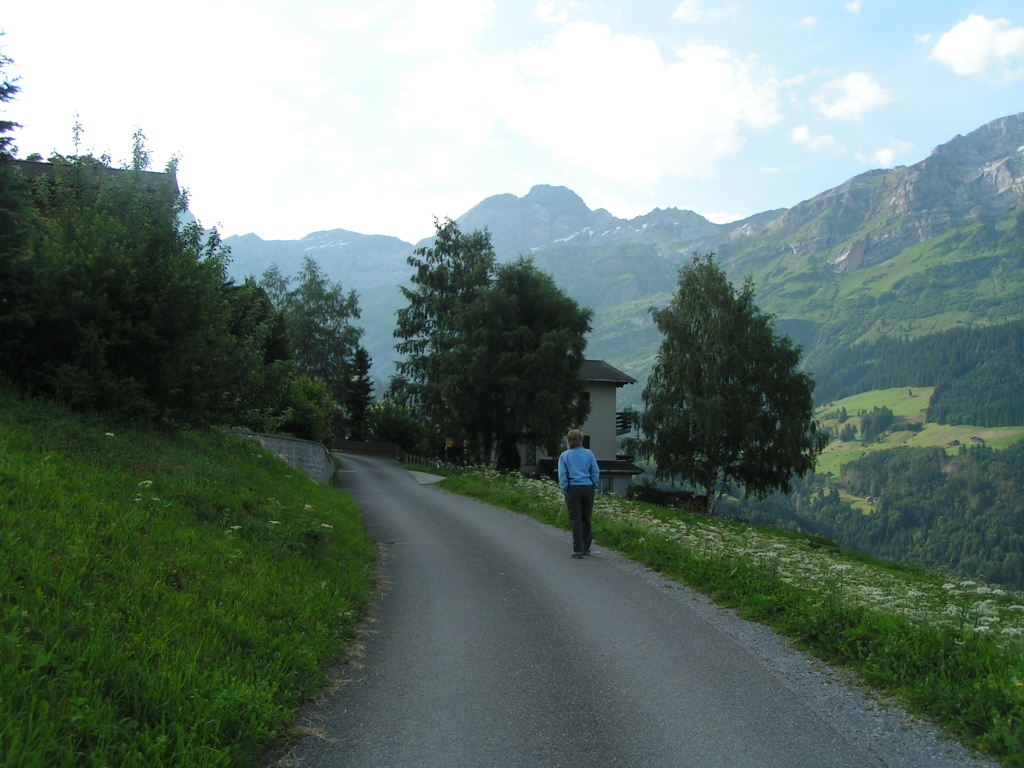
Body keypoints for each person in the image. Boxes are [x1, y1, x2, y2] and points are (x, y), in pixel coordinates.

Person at [557, 429, 599, 559]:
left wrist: (565, 488)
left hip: (573, 488)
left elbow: (562, 474)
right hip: (588, 487)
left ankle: (578, 549)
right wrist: (594, 484)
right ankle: (586, 546)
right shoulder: (588, 453)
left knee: (575, 519)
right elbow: (595, 470)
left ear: (568, 441)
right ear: (581, 440)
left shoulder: (564, 456)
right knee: (586, 518)